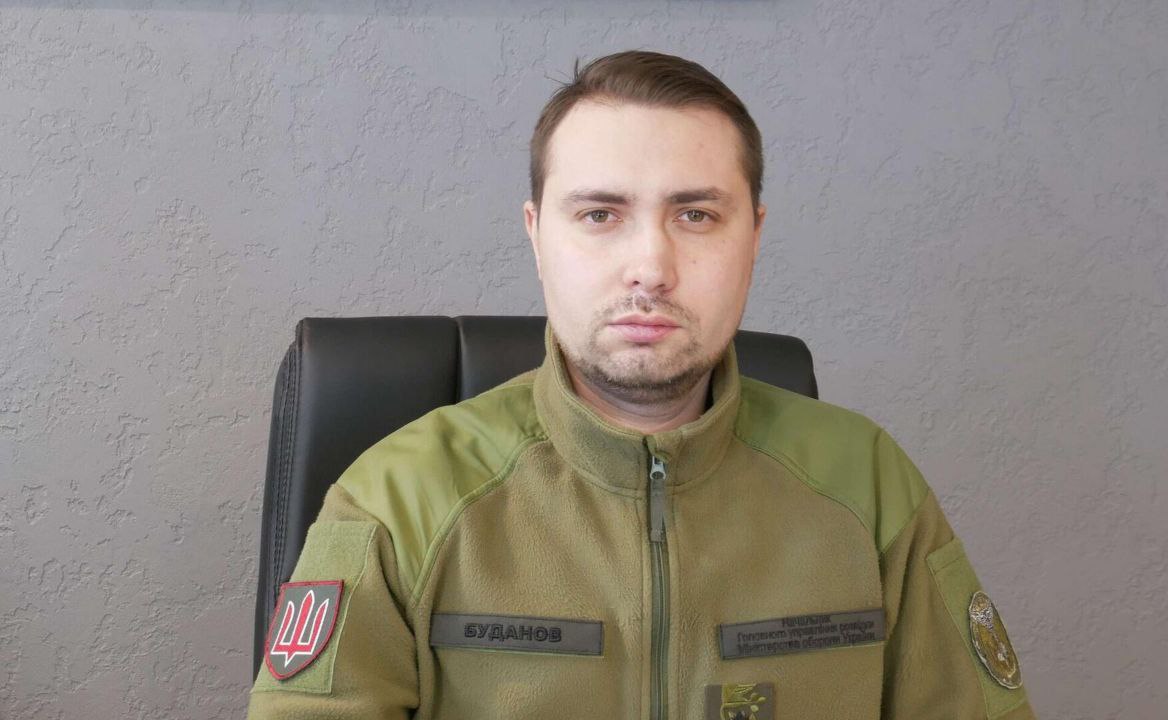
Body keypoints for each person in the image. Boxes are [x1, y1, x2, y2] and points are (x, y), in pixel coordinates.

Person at [247, 50, 1035, 720]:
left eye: (696, 216)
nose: (651, 267)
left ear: (754, 237)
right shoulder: (396, 501)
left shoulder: (870, 488)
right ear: (537, 236)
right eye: (600, 215)